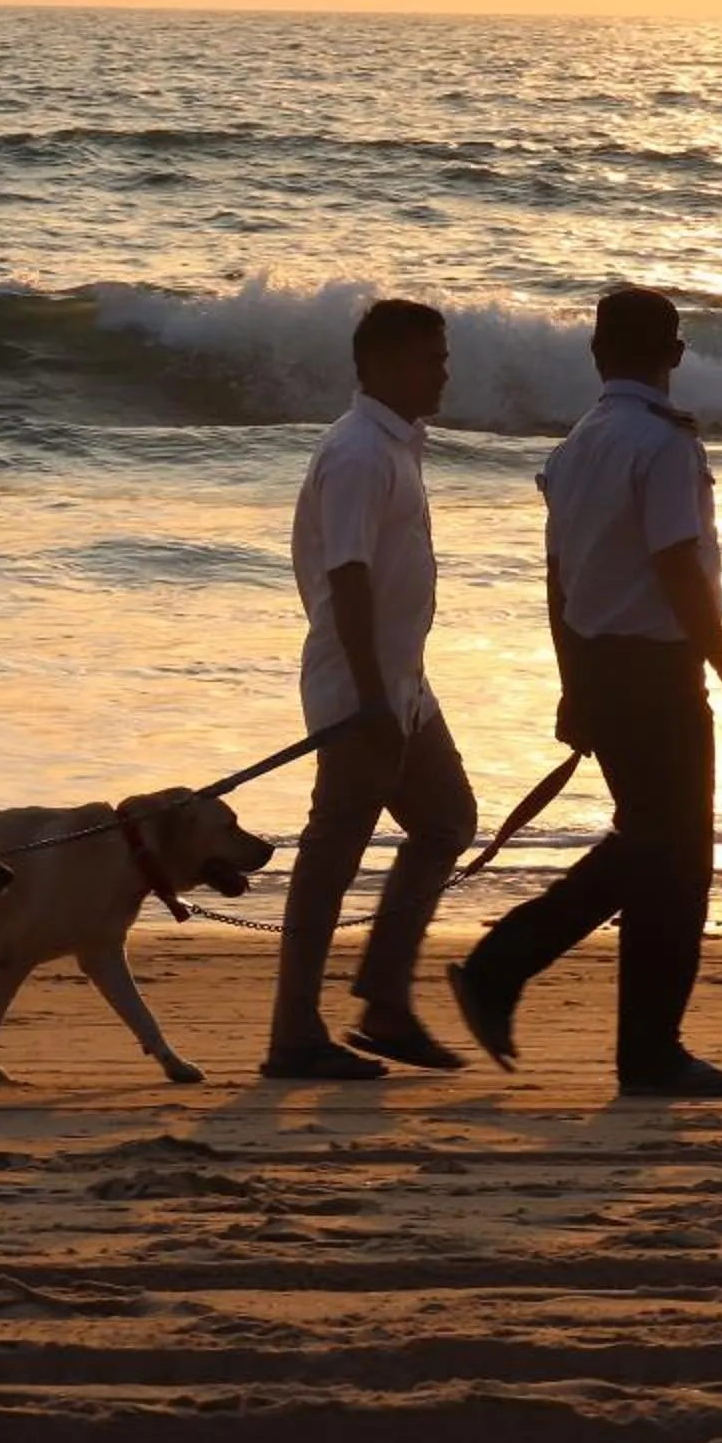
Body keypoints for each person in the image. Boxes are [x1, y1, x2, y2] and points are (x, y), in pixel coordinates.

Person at [448, 288, 722, 1099]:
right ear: (674, 355)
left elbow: (558, 580)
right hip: (655, 673)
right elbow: (676, 568)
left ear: (598, 357)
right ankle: (621, 1036)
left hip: (602, 664)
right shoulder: (662, 446)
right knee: (675, 861)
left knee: (651, 850)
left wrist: (575, 685)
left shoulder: (576, 448)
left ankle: (567, 1003)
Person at [263, 298, 478, 1080]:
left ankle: (385, 999)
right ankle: (293, 1034)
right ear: (385, 365)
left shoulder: (396, 446)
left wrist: (397, 688)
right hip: (364, 690)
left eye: (443, 356)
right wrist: (367, 695)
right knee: (332, 855)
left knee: (448, 817)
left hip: (401, 685)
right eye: (432, 358)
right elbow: (346, 576)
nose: (444, 371)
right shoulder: (358, 452)